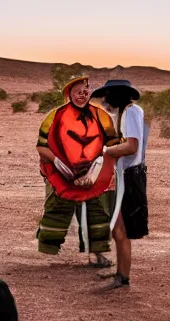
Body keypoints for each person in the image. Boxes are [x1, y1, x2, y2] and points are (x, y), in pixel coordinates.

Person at [36, 76, 118, 266]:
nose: (82, 95)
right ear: (69, 94)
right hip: (62, 173)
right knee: (57, 208)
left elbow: (113, 143)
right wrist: (57, 163)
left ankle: (96, 255)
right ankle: (48, 250)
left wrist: (97, 167)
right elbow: (41, 146)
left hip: (95, 174)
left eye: (85, 91)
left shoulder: (101, 115)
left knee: (99, 212)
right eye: (78, 92)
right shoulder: (55, 116)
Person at [90, 79, 149, 290]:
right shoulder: (128, 113)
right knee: (117, 227)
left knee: (119, 227)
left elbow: (131, 146)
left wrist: (105, 151)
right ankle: (121, 274)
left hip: (129, 175)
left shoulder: (131, 112)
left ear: (116, 95)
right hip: (128, 173)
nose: (104, 100)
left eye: (107, 95)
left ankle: (123, 276)